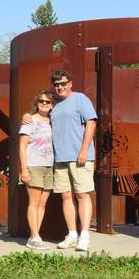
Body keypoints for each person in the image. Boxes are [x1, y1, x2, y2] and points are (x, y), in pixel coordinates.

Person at [24, 70, 98, 251]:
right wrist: (26, 117)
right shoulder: (54, 105)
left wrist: (83, 150)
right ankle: (72, 234)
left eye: (63, 83)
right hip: (60, 159)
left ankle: (84, 236)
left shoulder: (80, 99)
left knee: (82, 194)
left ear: (70, 83)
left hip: (80, 157)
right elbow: (40, 116)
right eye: (57, 85)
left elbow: (91, 123)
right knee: (66, 196)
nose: (60, 87)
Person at [18, 90, 56, 250]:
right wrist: (24, 170)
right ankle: (34, 237)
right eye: (42, 101)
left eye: (48, 102)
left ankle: (35, 236)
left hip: (49, 166)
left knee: (42, 204)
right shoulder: (30, 121)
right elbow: (22, 146)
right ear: (37, 103)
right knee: (33, 202)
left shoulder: (53, 121)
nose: (44, 104)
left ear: (52, 105)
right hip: (34, 165)